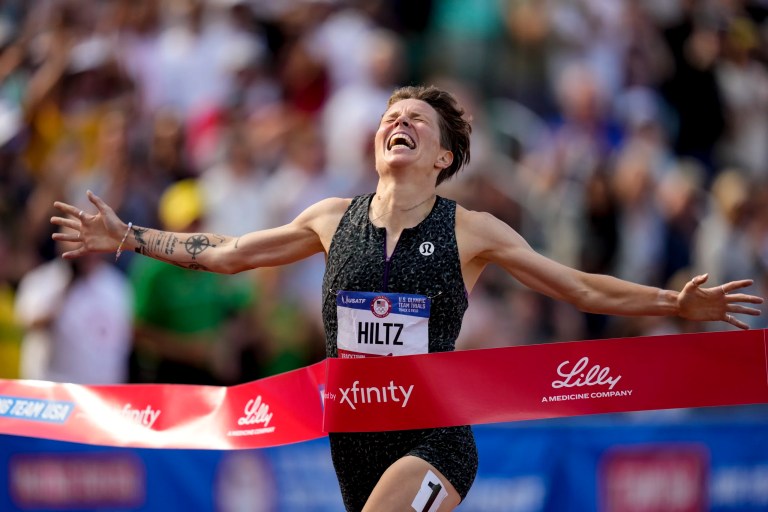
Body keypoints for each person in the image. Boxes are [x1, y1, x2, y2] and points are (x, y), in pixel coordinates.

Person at [50, 85, 763, 512]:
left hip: (435, 436)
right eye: (394, 115)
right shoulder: (331, 218)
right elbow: (230, 254)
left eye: (419, 120)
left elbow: (577, 287)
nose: (402, 122)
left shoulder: (473, 230)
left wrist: (676, 304)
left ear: (442, 157)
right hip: (351, 436)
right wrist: (128, 236)